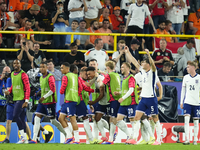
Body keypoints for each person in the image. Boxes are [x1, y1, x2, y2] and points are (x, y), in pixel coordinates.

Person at [125, 47, 163, 145]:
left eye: (143, 63)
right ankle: (134, 138)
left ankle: (158, 140)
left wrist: (149, 55)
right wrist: (128, 52)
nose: (141, 64)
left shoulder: (153, 72)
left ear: (148, 64)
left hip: (151, 98)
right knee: (136, 117)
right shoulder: (143, 71)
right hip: (143, 98)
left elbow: (153, 65)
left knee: (155, 119)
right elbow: (134, 62)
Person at [29, 61, 66, 144]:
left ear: (46, 68)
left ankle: (66, 134)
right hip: (42, 103)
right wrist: (40, 93)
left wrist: (43, 97)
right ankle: (34, 139)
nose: (41, 69)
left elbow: (52, 90)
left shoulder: (50, 77)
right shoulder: (41, 78)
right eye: (40, 67)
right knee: (36, 118)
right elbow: (45, 88)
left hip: (50, 102)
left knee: (53, 121)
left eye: (43, 67)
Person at [5, 59, 30, 144]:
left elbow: (27, 88)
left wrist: (26, 100)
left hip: (21, 99)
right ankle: (25, 139)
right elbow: (14, 85)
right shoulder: (12, 74)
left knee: (15, 115)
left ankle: (23, 137)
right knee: (22, 118)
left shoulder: (23, 74)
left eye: (17, 63)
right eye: (14, 63)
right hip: (16, 99)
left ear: (20, 65)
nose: (16, 64)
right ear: (12, 65)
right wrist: (9, 91)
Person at [112, 62, 138, 144]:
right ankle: (129, 135)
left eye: (123, 67)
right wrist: (119, 93)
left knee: (132, 119)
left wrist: (122, 98)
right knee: (118, 119)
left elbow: (131, 90)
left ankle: (134, 138)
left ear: (128, 68)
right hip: (124, 103)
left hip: (131, 102)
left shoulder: (131, 78)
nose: (121, 69)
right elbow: (125, 91)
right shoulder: (124, 78)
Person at [98, 61, 121, 144]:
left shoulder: (109, 75)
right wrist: (101, 72)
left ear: (108, 67)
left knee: (114, 119)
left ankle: (111, 139)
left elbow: (102, 84)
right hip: (118, 99)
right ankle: (111, 138)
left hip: (113, 99)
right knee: (113, 118)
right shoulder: (116, 74)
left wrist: (100, 80)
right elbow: (108, 75)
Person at [87, 66, 109, 143]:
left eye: (89, 74)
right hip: (99, 102)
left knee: (99, 118)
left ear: (94, 71)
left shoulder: (101, 78)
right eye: (87, 74)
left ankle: (108, 134)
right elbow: (95, 90)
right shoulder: (93, 80)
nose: (88, 76)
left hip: (106, 101)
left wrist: (93, 102)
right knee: (96, 118)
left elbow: (102, 93)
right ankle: (101, 137)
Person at [58, 62, 79, 144]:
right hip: (71, 100)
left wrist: (61, 91)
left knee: (72, 119)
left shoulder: (65, 77)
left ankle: (77, 140)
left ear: (67, 68)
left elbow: (62, 89)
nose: (61, 69)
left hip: (70, 100)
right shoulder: (75, 76)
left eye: (62, 68)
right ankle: (70, 136)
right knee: (60, 118)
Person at [180, 61, 200, 145]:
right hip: (187, 101)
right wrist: (181, 101)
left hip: (196, 102)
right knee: (186, 120)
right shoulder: (185, 77)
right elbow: (183, 90)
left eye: (188, 67)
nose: (186, 68)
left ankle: (195, 140)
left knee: (196, 122)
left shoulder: (199, 77)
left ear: (193, 67)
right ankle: (187, 139)